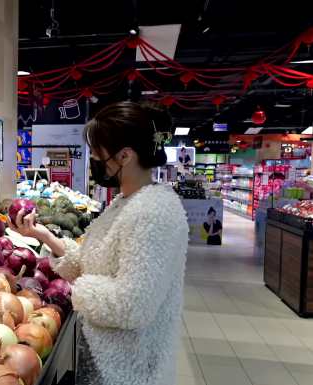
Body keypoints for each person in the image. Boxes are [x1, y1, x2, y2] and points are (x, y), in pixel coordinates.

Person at [11, 101, 188, 385]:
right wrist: (43, 235)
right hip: (107, 358)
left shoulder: (153, 213)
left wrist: (73, 290)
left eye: (97, 153)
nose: (93, 158)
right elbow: (94, 262)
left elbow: (132, 304)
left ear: (125, 156)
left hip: (129, 370)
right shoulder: (126, 201)